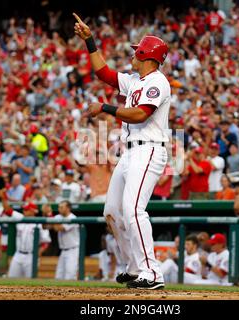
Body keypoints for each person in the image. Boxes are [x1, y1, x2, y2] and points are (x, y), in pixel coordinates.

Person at [74, 13, 170, 289]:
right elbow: (102, 73)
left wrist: (105, 107)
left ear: (145, 53)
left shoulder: (157, 82)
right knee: (113, 210)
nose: (132, 55)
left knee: (133, 209)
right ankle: (134, 266)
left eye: (136, 51)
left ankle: (152, 272)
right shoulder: (134, 81)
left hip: (150, 149)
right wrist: (89, 40)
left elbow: (140, 114)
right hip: (130, 152)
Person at [7, 202, 51, 278]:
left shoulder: (40, 223)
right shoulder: (20, 218)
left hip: (31, 255)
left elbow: (46, 242)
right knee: (11, 279)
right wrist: (3, 196)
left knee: (30, 282)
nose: (24, 211)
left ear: (33, 211)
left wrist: (38, 253)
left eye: (27, 210)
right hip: (18, 254)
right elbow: (7, 211)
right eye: (24, 209)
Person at [49, 200, 80, 280]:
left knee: (70, 276)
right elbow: (45, 226)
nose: (59, 209)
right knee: (59, 276)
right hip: (63, 251)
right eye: (59, 207)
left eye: (62, 207)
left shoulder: (72, 218)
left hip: (73, 250)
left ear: (68, 208)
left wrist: (50, 216)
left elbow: (58, 228)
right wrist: (46, 214)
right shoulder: (58, 217)